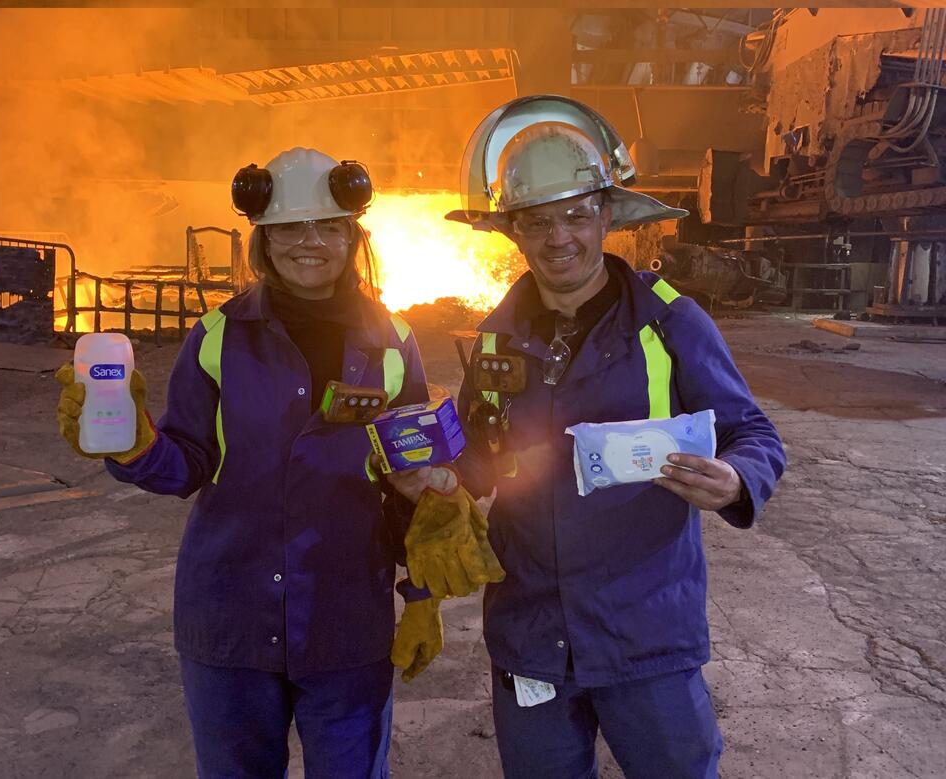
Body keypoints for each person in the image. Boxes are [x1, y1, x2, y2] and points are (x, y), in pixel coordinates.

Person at [55, 147, 443, 779]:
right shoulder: (217, 336)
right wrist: (134, 446)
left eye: (328, 226)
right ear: (263, 239)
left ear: (353, 235)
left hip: (345, 623)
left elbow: (413, 482)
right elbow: (186, 465)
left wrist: (421, 592)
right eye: (290, 227)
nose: (309, 242)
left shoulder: (392, 341)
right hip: (230, 619)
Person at [443, 96, 787, 778]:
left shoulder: (671, 323)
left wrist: (738, 476)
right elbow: (474, 458)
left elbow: (753, 431)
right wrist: (430, 479)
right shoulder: (494, 338)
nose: (558, 237)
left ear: (607, 214)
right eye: (537, 221)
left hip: (645, 631)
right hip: (531, 629)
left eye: (575, 214)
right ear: (512, 230)